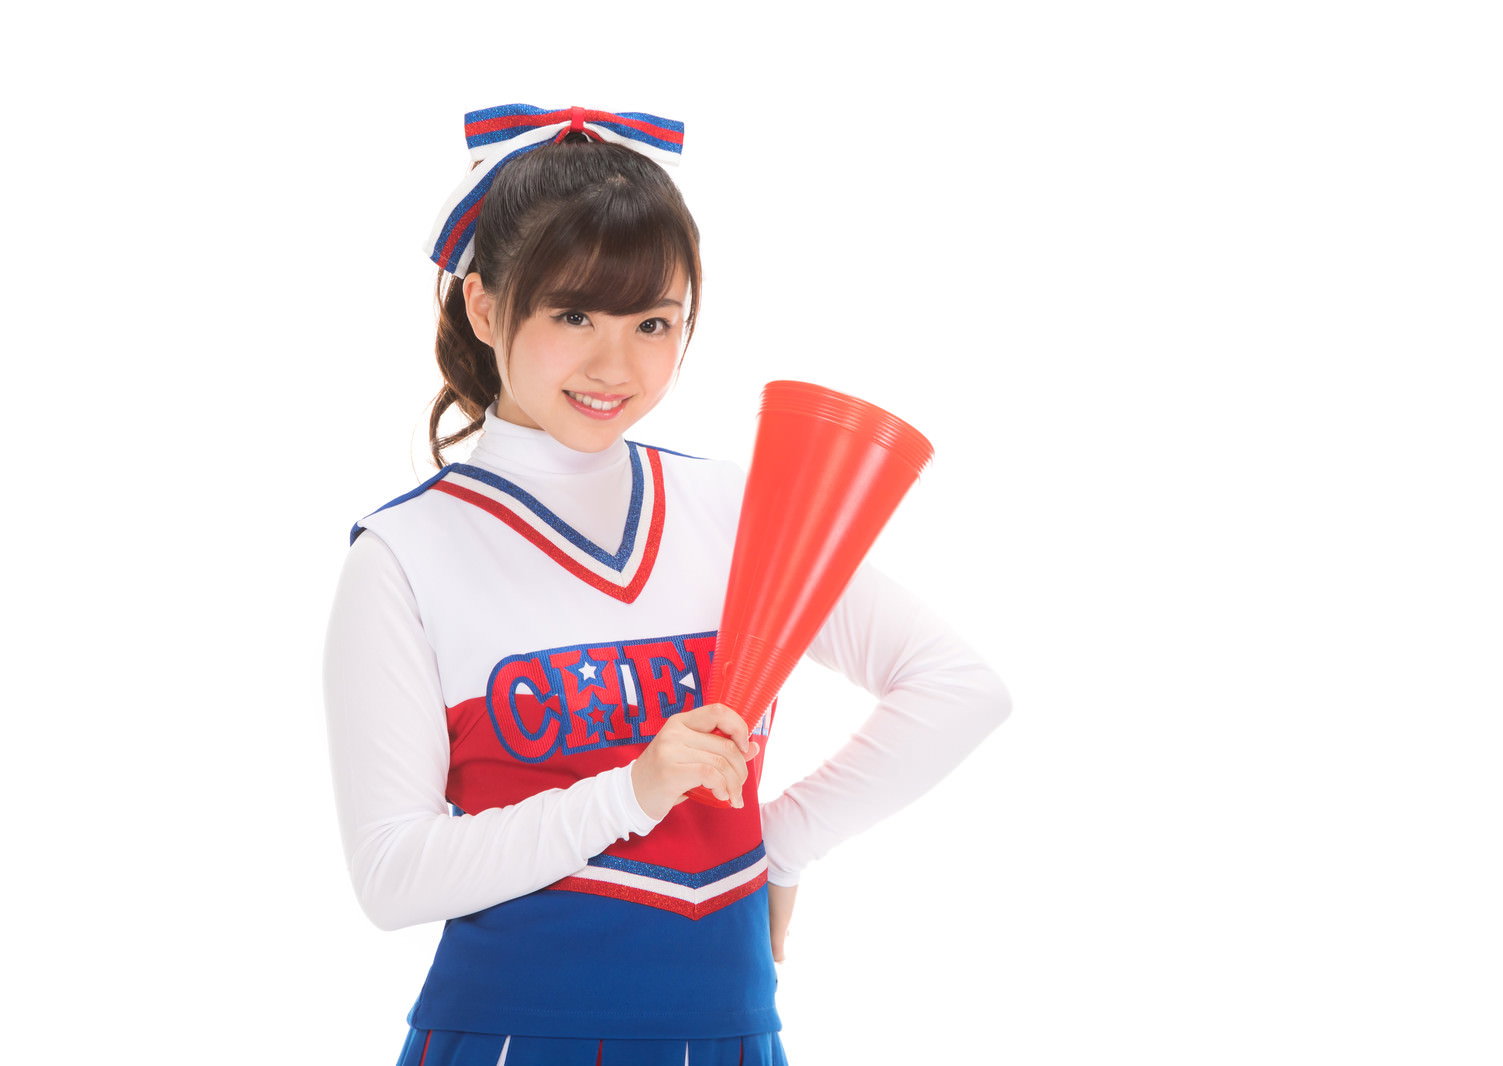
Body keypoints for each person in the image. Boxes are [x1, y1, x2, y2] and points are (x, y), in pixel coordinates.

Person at [322, 104, 1011, 1066]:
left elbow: (958, 687)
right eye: (573, 315)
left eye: (653, 322)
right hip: (513, 1038)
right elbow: (391, 875)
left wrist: (781, 841)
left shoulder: (734, 510)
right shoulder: (406, 553)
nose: (617, 365)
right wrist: (634, 790)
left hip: (730, 1032)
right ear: (484, 307)